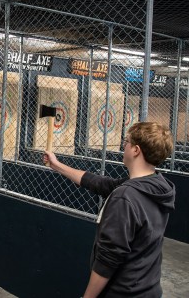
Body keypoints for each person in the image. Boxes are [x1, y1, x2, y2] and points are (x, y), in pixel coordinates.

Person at [43, 121, 175, 298]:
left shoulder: (125, 197)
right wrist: (56, 165)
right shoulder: (157, 185)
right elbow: (101, 184)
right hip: (148, 289)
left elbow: (108, 259)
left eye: (126, 141)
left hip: (123, 293)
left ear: (136, 150)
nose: (124, 145)